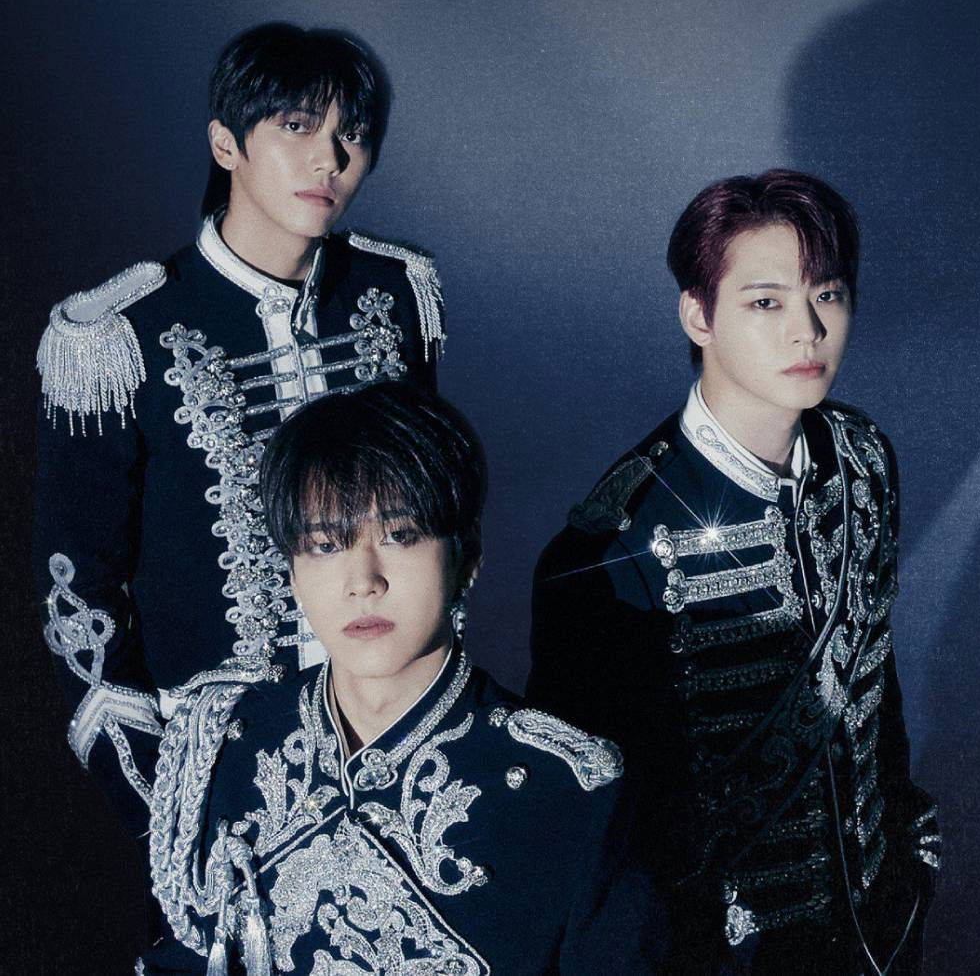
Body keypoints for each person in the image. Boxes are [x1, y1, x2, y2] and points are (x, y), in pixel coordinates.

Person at [34, 21, 445, 834]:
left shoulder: (399, 291)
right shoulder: (119, 336)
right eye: (297, 126)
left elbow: (436, 522)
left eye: (353, 135)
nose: (329, 160)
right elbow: (77, 589)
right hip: (218, 773)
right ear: (226, 143)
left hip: (403, 747)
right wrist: (164, 806)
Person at [530, 170, 938, 974]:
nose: (807, 332)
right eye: (766, 302)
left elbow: (873, 684)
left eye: (828, 295)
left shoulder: (863, 459)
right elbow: (591, 834)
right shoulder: (608, 547)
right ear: (698, 314)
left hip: (879, 933)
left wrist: (908, 868)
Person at [142, 380, 663, 972]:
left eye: (399, 536)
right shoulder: (225, 744)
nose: (363, 581)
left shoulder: (567, 793)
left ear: (467, 556)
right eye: (325, 545)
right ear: (292, 574)